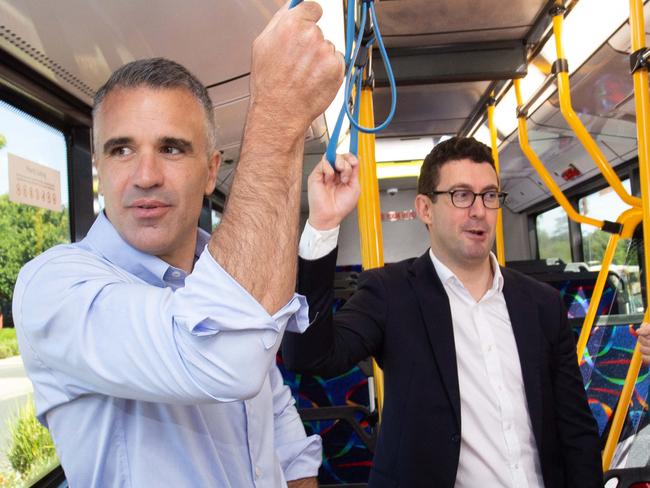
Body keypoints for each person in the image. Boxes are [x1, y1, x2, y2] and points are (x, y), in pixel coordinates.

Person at [12, 2, 352, 486]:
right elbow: (222, 356)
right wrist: (279, 112)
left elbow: (275, 412)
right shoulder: (55, 287)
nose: (146, 176)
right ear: (99, 167)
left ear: (212, 169)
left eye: (171, 148)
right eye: (121, 149)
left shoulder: (229, 271)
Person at [284, 136, 604, 488]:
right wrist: (323, 226)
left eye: (490, 195)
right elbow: (310, 356)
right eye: (461, 195)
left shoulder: (541, 304)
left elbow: (576, 429)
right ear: (425, 209)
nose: (479, 210)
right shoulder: (391, 293)